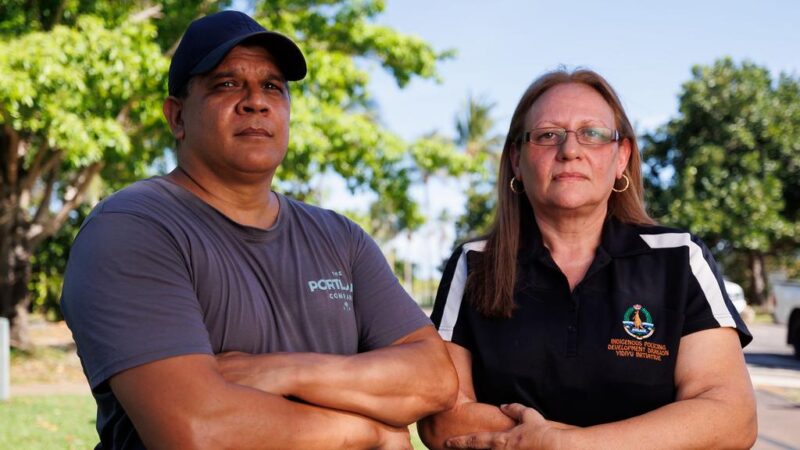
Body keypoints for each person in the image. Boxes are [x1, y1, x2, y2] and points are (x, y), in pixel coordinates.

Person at [60, 10, 457, 449]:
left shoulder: (340, 237)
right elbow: (198, 432)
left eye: (272, 86)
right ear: (177, 118)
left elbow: (433, 378)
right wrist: (369, 434)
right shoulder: (132, 230)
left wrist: (282, 371)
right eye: (226, 84)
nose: (256, 101)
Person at [418, 69, 757, 449]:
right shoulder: (473, 264)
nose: (570, 150)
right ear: (516, 159)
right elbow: (442, 418)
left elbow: (732, 416)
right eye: (548, 135)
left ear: (621, 158)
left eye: (593, 134)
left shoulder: (679, 259)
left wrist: (565, 445)